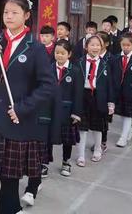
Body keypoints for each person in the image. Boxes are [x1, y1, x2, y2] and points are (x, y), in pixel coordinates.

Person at [0, 0, 55, 214]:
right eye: (5, 12)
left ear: (27, 16)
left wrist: (23, 107)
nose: (9, 17)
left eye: (14, 12)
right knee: (5, 176)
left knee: (10, 177)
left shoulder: (35, 48)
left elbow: (48, 86)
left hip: (18, 120)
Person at [75, 36, 114, 166]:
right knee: (82, 126)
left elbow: (110, 85)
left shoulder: (105, 64)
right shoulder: (79, 62)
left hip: (99, 97)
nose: (95, 48)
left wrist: (110, 102)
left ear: (101, 47)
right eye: (92, 45)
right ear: (86, 47)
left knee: (97, 126)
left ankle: (98, 150)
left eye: (98, 45)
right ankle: (81, 155)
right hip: (83, 96)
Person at [50, 39, 83, 178]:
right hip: (51, 109)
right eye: (57, 53)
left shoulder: (75, 71)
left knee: (67, 139)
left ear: (69, 54)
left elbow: (78, 93)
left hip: (67, 111)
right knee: (48, 138)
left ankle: (66, 161)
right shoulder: (49, 68)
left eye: (63, 53)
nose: (59, 55)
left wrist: (76, 113)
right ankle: (44, 163)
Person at [110, 34, 132, 147]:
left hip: (131, 91)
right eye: (123, 45)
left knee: (128, 115)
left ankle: (123, 137)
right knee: (121, 113)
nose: (125, 47)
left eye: (128, 45)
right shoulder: (115, 58)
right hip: (117, 91)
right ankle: (128, 130)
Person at [96, 31, 112, 152]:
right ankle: (97, 142)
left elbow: (113, 80)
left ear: (106, 44)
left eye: (99, 42)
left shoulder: (111, 58)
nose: (96, 44)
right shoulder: (89, 56)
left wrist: (112, 99)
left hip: (105, 94)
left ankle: (103, 141)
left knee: (103, 120)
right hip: (92, 93)